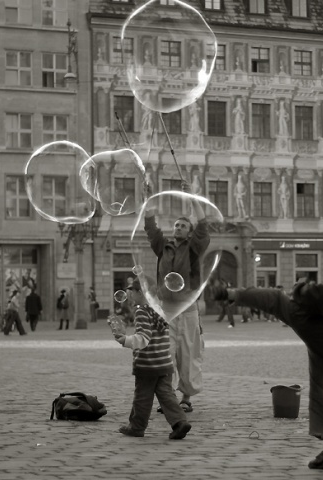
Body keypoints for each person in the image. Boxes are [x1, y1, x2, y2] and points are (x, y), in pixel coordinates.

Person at [213, 233, 323, 471]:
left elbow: (316, 297)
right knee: (319, 389)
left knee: (276, 298)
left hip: (317, 331)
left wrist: (301, 287)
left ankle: (232, 294)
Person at [144, 179, 210, 413]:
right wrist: (149, 199)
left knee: (188, 354)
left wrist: (191, 196)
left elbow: (203, 224)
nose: (179, 227)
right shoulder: (163, 247)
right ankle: (169, 397)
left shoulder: (194, 248)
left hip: (188, 308)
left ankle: (186, 398)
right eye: (177, 225)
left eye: (183, 225)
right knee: (166, 354)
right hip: (166, 309)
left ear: (190, 232)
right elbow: (151, 227)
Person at [113, 279, 192, 440]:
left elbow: (143, 338)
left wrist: (124, 340)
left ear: (141, 293)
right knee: (167, 395)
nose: (130, 295)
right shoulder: (159, 309)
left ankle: (136, 427)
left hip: (148, 364)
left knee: (142, 397)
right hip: (164, 362)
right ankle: (180, 422)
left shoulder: (142, 311)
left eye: (132, 291)